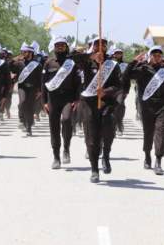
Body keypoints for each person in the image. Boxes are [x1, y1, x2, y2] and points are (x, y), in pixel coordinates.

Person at [123, 45, 164, 175]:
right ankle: (147, 154)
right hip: (146, 107)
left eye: (159, 55)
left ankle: (158, 161)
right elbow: (126, 75)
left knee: (160, 132)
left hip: (162, 107)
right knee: (148, 133)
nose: (157, 57)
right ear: (150, 56)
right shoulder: (142, 70)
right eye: (154, 55)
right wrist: (134, 61)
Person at [75, 38, 121, 183]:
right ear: (92, 47)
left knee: (108, 131)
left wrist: (106, 91)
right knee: (91, 138)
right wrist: (90, 56)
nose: (100, 47)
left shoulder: (112, 64)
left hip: (107, 103)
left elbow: (118, 85)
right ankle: (94, 169)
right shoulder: (86, 62)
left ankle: (106, 155)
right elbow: (72, 58)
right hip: (88, 103)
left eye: (103, 45)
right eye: (97, 45)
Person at [42, 37, 81, 169]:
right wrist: (44, 102)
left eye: (62, 45)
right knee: (54, 128)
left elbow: (78, 83)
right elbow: (43, 84)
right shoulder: (48, 63)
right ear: (54, 47)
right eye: (57, 45)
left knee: (66, 120)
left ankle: (66, 148)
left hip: (68, 98)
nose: (59, 47)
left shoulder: (72, 63)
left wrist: (77, 99)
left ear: (66, 47)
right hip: (53, 99)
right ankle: (56, 157)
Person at [10, 43, 42, 136]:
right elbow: (10, 67)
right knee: (22, 102)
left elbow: (40, 78)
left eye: (25, 51)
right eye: (22, 51)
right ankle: (23, 120)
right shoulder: (20, 63)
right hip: (22, 87)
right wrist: (13, 60)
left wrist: (40, 90)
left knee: (30, 108)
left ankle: (29, 127)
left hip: (32, 88)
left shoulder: (37, 65)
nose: (23, 53)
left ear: (30, 52)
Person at [111, 48, 128, 136]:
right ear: (113, 54)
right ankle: (113, 125)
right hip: (111, 88)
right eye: (116, 53)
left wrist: (127, 90)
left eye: (120, 53)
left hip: (121, 89)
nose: (118, 55)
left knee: (120, 105)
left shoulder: (125, 65)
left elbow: (127, 78)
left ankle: (119, 123)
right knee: (112, 107)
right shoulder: (109, 64)